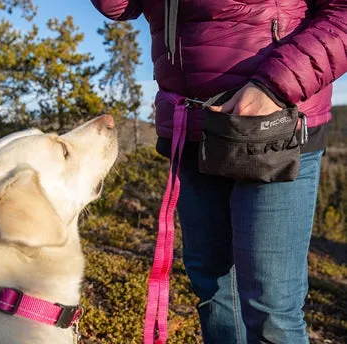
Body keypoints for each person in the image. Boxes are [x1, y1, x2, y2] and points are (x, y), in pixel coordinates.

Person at [91, 1, 347, 343]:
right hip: (191, 130)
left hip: (272, 130)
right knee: (213, 291)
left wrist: (275, 85)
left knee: (271, 310)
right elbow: (118, 5)